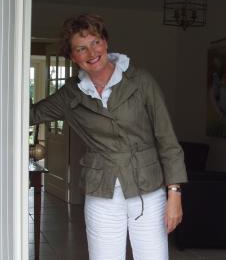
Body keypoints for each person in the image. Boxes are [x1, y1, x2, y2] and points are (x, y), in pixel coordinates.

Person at [30, 14, 188, 260]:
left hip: (148, 188)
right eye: (81, 48)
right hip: (101, 190)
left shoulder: (141, 81)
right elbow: (29, 114)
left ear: (105, 42)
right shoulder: (70, 94)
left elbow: (167, 140)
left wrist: (175, 193)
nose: (91, 52)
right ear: (72, 57)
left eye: (95, 42)